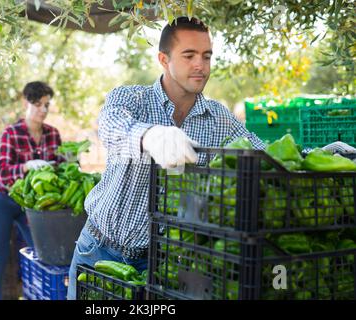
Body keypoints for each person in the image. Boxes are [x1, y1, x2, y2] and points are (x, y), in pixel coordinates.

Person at [66, 16, 266, 299]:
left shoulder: (219, 119)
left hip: (157, 263)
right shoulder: (131, 98)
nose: (200, 65)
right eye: (189, 55)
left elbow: (261, 153)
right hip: (97, 249)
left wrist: (320, 154)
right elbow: (111, 128)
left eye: (206, 56)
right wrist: (150, 136)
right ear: (163, 59)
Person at [0, 81, 63, 300]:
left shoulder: (52, 134)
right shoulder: (12, 133)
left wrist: (69, 165)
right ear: (25, 103)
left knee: (40, 251)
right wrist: (26, 166)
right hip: (1, 202)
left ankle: (36, 294)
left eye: (47, 105)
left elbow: (60, 166)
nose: (43, 110)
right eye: (38, 104)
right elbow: (2, 173)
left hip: (29, 206)